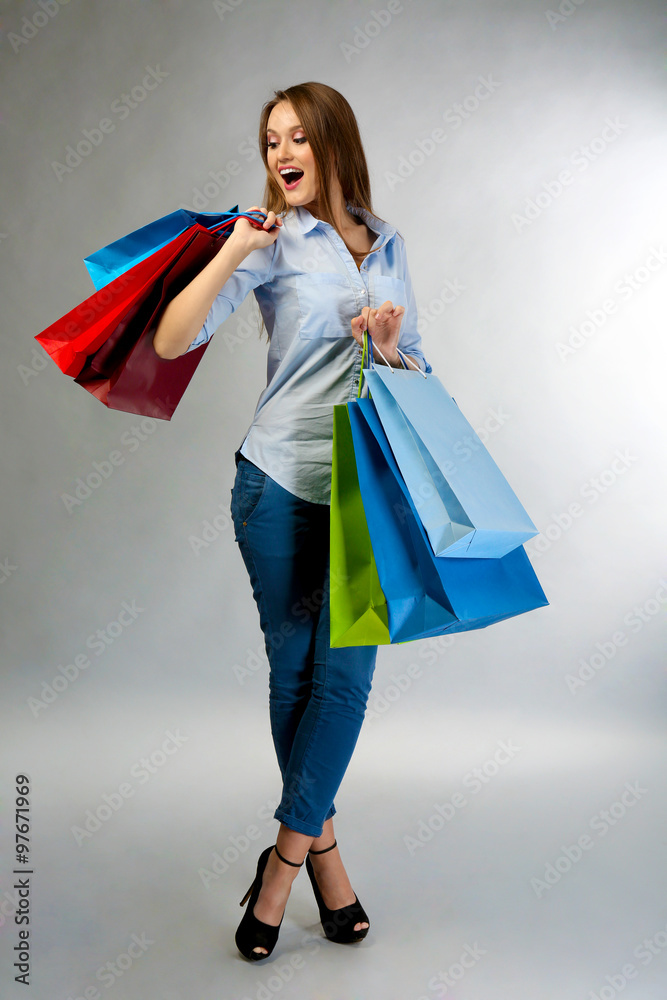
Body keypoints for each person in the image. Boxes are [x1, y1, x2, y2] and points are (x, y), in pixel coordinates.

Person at [153, 81, 432, 961]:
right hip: (276, 482)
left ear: (331, 143)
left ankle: (281, 867)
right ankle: (332, 868)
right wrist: (234, 247)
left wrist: (389, 352)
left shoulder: (385, 245)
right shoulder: (272, 243)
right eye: (270, 139)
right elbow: (170, 340)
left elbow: (418, 371)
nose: (280, 152)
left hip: (361, 497)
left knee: (342, 684)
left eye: (296, 136)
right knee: (294, 678)